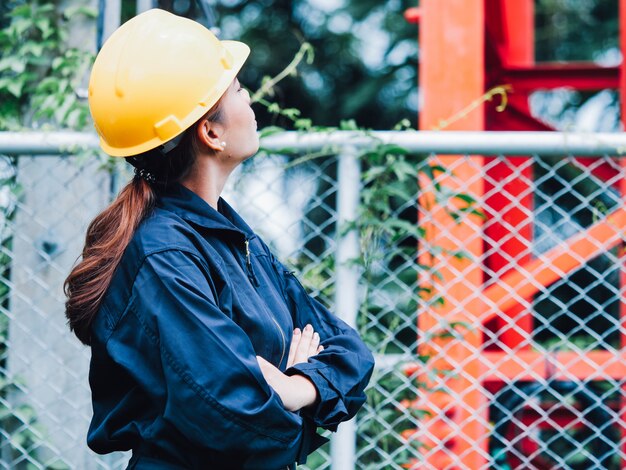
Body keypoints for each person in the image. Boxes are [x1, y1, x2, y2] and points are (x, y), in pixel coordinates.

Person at [63, 8, 374, 470]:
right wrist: (308, 404)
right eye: (238, 89)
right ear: (211, 132)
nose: (251, 100)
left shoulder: (233, 238)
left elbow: (350, 352)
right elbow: (237, 418)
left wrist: (291, 387)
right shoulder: (164, 255)